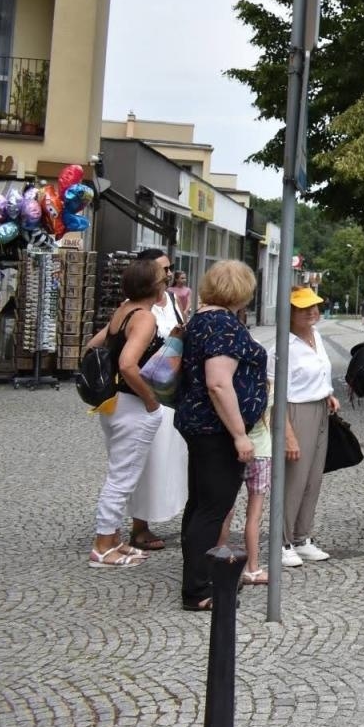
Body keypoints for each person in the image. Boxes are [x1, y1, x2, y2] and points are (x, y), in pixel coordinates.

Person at [175, 260, 268, 611]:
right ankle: (199, 589)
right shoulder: (221, 324)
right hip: (216, 430)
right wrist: (240, 435)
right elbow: (218, 382)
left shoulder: (201, 318)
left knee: (200, 505)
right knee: (212, 509)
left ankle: (200, 578)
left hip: (199, 425)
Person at [83, 258, 168, 568]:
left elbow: (93, 345)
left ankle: (114, 539)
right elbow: (127, 364)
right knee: (121, 477)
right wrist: (151, 401)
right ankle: (103, 546)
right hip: (133, 405)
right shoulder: (144, 318)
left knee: (122, 473)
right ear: (154, 287)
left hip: (114, 404)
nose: (166, 284)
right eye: (162, 279)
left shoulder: (124, 310)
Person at [127, 247, 187, 552]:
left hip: (170, 390)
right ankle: (139, 526)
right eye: (163, 269)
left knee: (169, 456)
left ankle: (162, 511)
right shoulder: (135, 306)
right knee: (146, 458)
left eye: (169, 268)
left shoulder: (174, 300)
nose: (168, 274)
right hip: (145, 393)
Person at [281, 286, 339, 568]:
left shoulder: (316, 336)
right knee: (294, 479)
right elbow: (276, 393)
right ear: (290, 313)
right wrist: (287, 433)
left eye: (314, 306)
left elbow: (319, 371)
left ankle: (302, 536)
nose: (312, 312)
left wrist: (327, 392)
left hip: (319, 408)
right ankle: (283, 540)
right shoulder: (283, 345)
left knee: (313, 477)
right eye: (303, 308)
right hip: (296, 410)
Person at [218, 408, 273, 586]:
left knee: (225, 510)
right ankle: (252, 568)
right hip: (262, 451)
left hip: (234, 449)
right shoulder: (271, 387)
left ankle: (218, 561)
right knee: (254, 515)